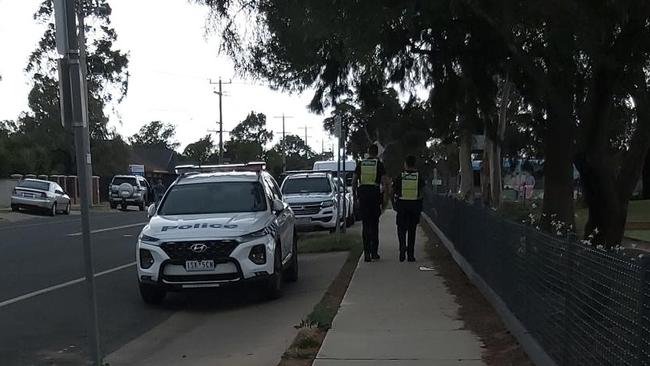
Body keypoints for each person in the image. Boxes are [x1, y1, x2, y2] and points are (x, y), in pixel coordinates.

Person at [353, 144, 388, 262]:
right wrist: (385, 198)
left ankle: (366, 253)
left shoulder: (361, 164)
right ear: (377, 153)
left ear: (368, 152)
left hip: (363, 195)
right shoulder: (379, 165)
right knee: (374, 224)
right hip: (374, 195)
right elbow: (384, 182)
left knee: (365, 224)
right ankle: (374, 252)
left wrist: (354, 196)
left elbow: (354, 181)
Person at [392, 155, 425, 262]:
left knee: (401, 229)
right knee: (412, 231)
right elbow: (422, 193)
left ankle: (402, 247)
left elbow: (392, 192)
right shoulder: (419, 177)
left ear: (405, 164)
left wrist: (393, 204)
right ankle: (410, 255)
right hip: (414, 206)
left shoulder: (400, 177)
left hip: (402, 206)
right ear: (414, 164)